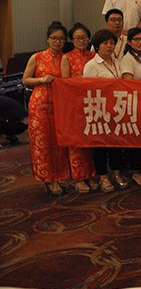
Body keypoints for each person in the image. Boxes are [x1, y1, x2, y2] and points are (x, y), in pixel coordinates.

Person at [23, 23, 72, 196]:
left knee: (59, 144)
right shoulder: (37, 57)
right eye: (54, 38)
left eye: (61, 39)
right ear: (48, 39)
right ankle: (48, 179)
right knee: (42, 144)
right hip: (39, 106)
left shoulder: (66, 58)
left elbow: (68, 82)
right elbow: (25, 79)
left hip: (60, 106)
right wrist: (41, 80)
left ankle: (58, 177)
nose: (57, 42)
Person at [83, 29, 128, 193]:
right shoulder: (91, 66)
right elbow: (88, 90)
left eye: (112, 43)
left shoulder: (117, 62)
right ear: (97, 45)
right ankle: (103, 176)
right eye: (105, 43)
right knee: (101, 146)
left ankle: (116, 174)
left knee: (116, 143)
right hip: (99, 110)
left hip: (117, 110)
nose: (109, 46)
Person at [55, 22, 97, 193]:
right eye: (77, 38)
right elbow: (65, 84)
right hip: (74, 105)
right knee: (77, 142)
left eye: (84, 37)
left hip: (93, 104)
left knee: (91, 140)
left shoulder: (94, 55)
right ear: (72, 40)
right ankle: (78, 177)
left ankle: (91, 174)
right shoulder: (67, 58)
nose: (81, 40)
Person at [119, 27, 141, 187]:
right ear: (130, 42)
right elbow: (128, 83)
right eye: (136, 39)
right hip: (134, 102)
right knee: (135, 138)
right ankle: (135, 171)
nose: (140, 42)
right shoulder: (127, 59)